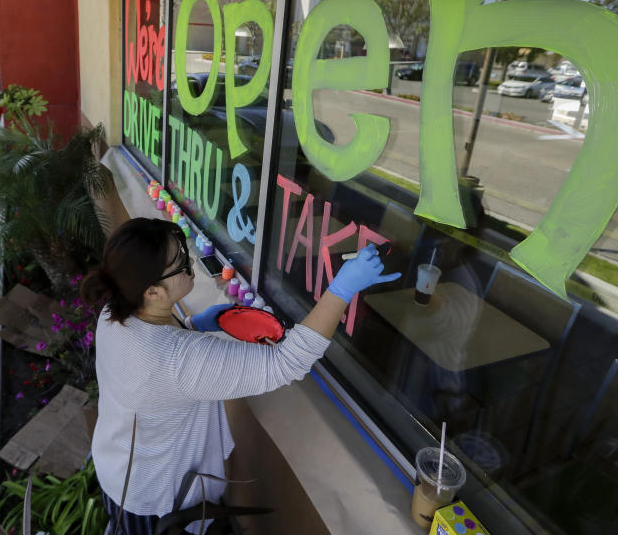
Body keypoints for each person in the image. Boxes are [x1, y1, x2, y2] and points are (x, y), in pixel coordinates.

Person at [80, 217, 399, 534]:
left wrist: (195, 326)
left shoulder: (115, 311)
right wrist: (343, 288)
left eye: (183, 250)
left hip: (117, 468)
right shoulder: (181, 360)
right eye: (181, 264)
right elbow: (287, 362)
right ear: (152, 291)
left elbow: (154, 369)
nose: (191, 260)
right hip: (152, 502)